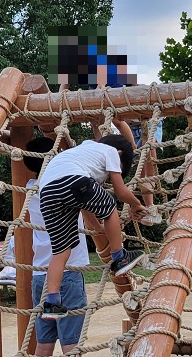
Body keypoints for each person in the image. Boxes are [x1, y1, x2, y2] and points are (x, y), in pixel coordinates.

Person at [24, 137, 105, 357]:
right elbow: (93, 220)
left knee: (44, 347)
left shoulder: (30, 190)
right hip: (67, 275)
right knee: (72, 347)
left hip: (39, 276)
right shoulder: (65, 182)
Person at [38, 135, 147, 319]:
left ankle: (52, 303)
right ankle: (119, 257)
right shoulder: (111, 152)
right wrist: (136, 204)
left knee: (61, 251)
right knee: (110, 208)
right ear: (119, 154)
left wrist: (97, 227)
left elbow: (84, 204)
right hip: (73, 181)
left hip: (47, 193)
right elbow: (120, 191)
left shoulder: (84, 150)